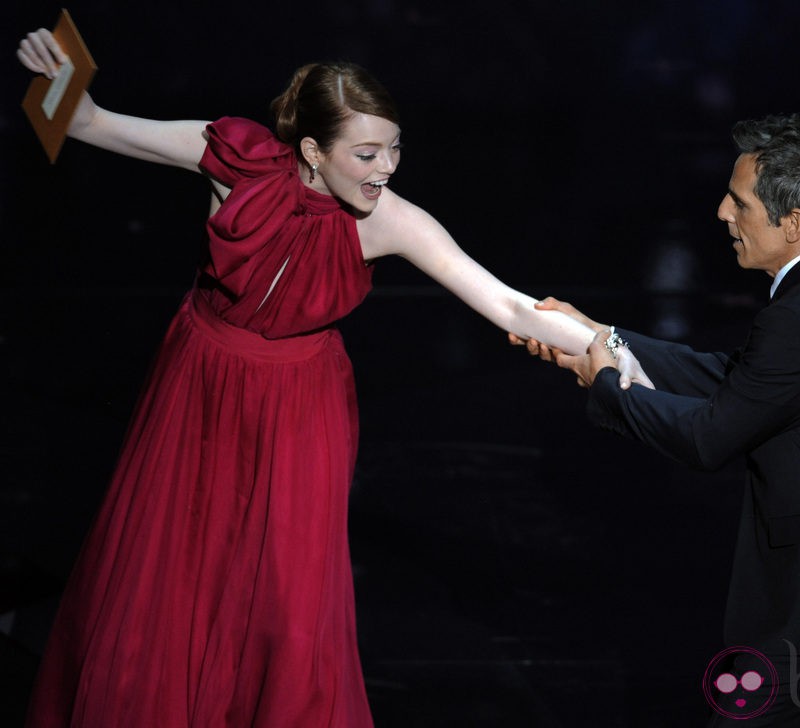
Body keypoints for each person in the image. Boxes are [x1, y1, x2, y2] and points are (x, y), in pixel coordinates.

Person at [15, 27, 650, 728]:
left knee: (286, 590)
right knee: (171, 565)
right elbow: (87, 122)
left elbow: (504, 302)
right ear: (312, 151)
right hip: (198, 380)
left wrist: (611, 346)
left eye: (395, 147)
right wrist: (58, 73)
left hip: (297, 401)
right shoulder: (234, 157)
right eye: (368, 153)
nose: (387, 168)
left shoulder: (392, 221)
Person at [512, 114, 800, 726]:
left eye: (739, 203)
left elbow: (710, 435)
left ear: (792, 223)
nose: (721, 215)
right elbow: (741, 381)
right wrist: (604, 337)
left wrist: (603, 381)